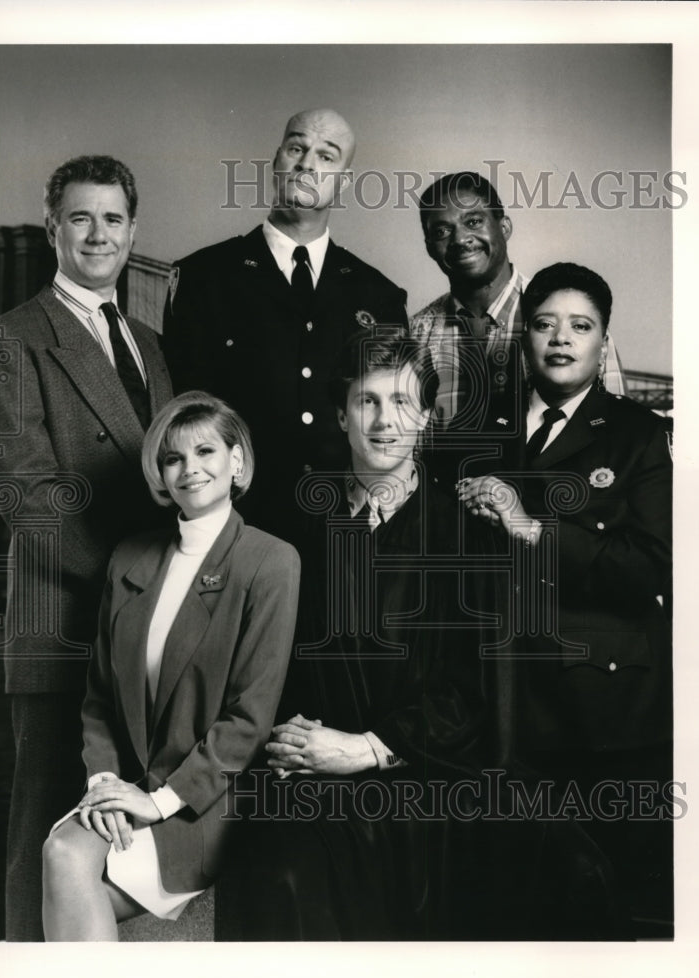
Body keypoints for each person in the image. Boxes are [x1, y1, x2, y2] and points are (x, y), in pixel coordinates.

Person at [226, 330, 618, 941]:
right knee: (282, 873)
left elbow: (478, 690)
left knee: (573, 868)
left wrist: (369, 747)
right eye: (368, 402)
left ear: (429, 418)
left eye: (404, 403)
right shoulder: (290, 528)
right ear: (341, 413)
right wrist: (304, 748)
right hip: (314, 769)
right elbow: (256, 666)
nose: (386, 422)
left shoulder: (466, 534)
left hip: (438, 768)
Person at [0, 155, 173, 940]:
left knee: (115, 838)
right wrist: (133, 585)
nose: (99, 234)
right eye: (81, 218)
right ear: (54, 226)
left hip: (143, 625)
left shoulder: (150, 343)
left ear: (134, 230)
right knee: (46, 830)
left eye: (114, 219)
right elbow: (26, 493)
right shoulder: (13, 337)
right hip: (67, 620)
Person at [457, 262, 673, 935]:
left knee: (611, 908)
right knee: (511, 906)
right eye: (545, 323)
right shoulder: (482, 426)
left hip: (603, 713)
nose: (560, 338)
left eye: (580, 326)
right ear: (524, 335)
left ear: (603, 343)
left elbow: (651, 568)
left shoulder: (636, 434)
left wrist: (531, 528)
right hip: (497, 702)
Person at [41, 392, 300, 940]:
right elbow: (100, 698)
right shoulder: (130, 557)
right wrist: (106, 784)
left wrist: (156, 802)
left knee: (68, 876)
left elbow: (248, 720)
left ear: (237, 461)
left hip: (209, 798)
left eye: (205, 451)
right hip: (129, 783)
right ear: (160, 474)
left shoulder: (271, 560)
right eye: (173, 458)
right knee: (63, 850)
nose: (190, 469)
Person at [162, 108, 408, 544]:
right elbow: (185, 413)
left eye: (327, 156)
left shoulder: (379, 296)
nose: (308, 164)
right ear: (276, 161)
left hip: (347, 533)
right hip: (236, 531)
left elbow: (392, 423)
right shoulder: (205, 277)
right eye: (297, 148)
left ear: (344, 180)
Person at [411, 172, 626, 438]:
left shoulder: (572, 322)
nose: (460, 239)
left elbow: (617, 435)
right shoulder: (417, 333)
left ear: (504, 228)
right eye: (442, 231)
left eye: (474, 221)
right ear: (430, 247)